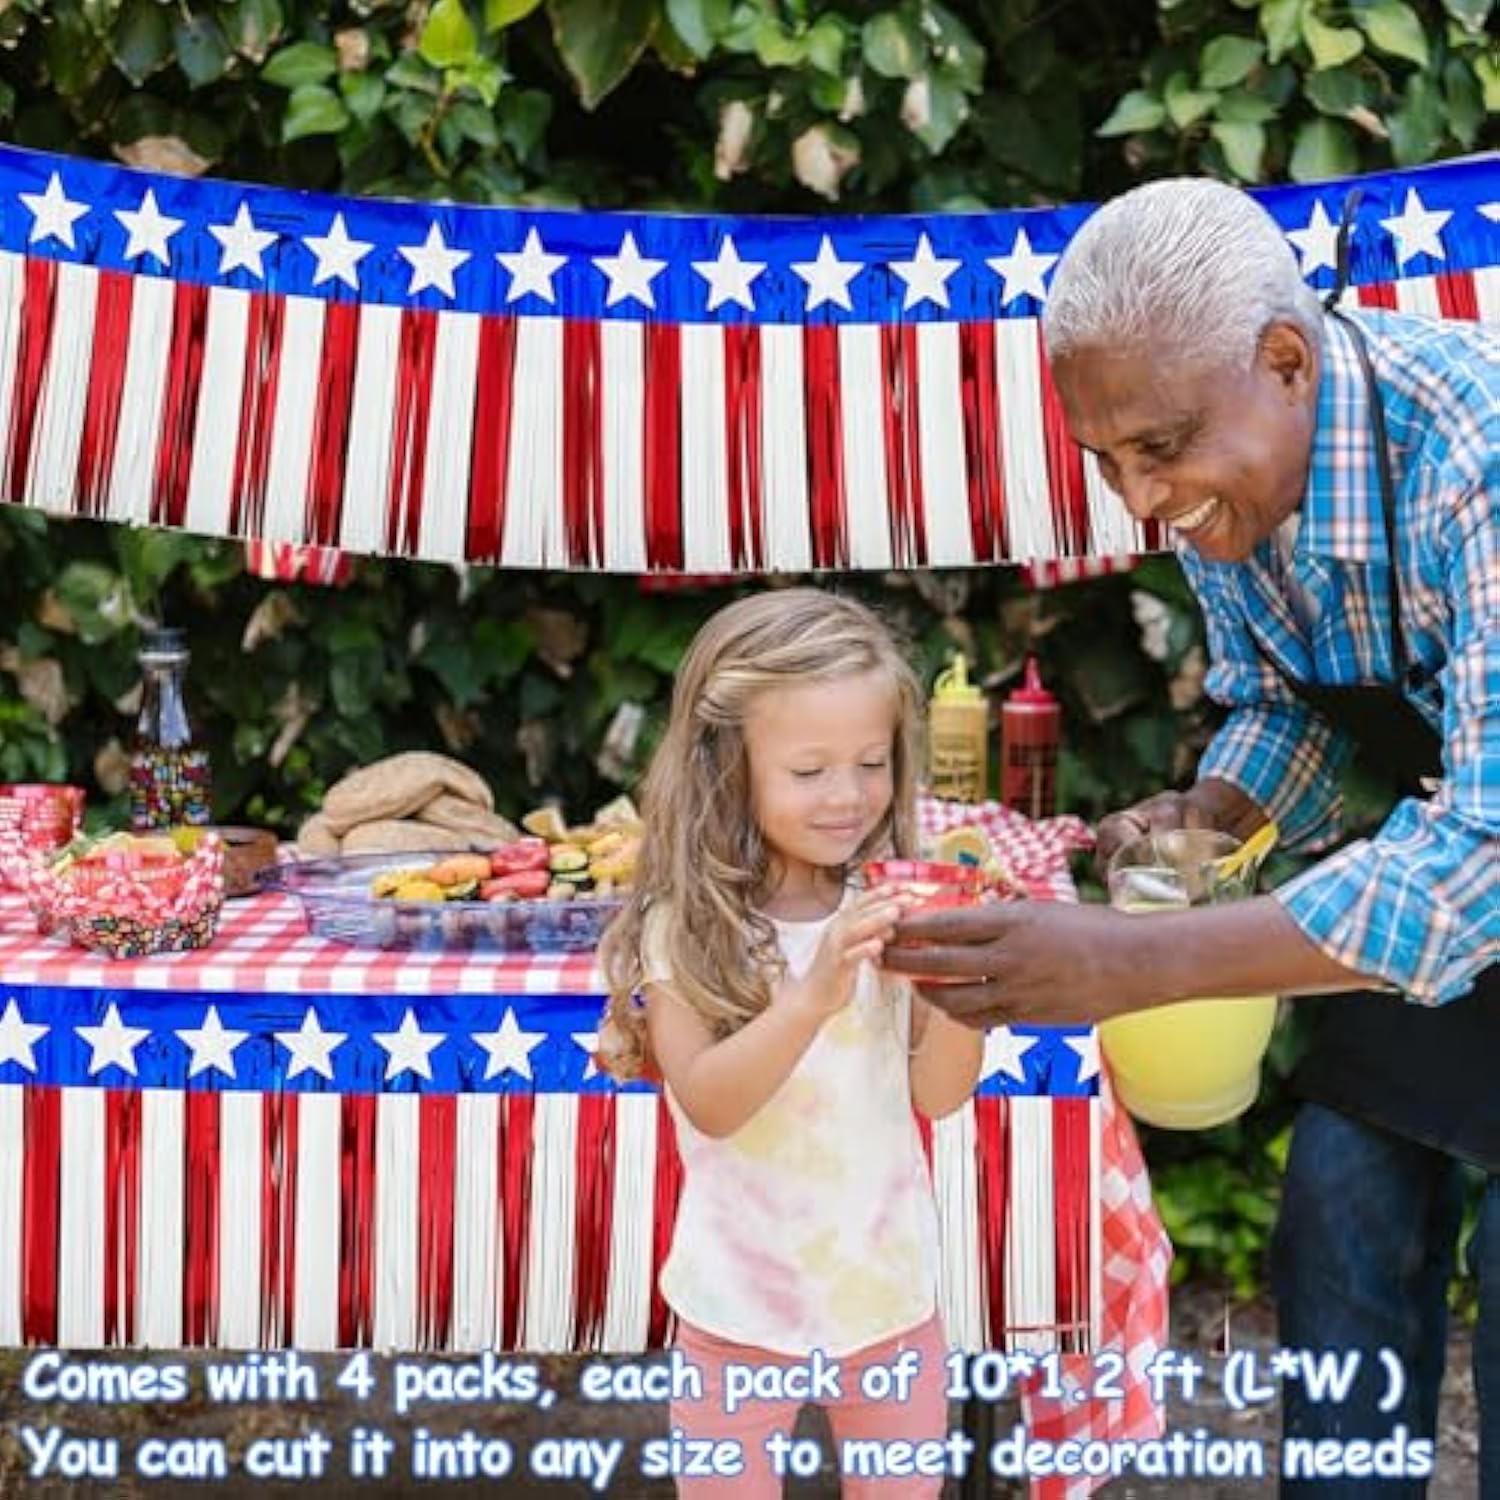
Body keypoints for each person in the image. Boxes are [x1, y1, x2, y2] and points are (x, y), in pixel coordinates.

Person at [882, 178, 1497, 1495]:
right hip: (1443, 866)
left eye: (1157, 449)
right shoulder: (1230, 477)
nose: (1142, 503)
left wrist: (1135, 962)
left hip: (1475, 859)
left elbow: (1485, 852)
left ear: (1286, 361)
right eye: (1105, 459)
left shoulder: (1477, 453)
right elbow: (1289, 698)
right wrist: (1218, 816)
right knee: (1341, 1197)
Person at [598, 587, 983, 1497]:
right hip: (737, 1303)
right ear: (727, 767)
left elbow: (939, 1095)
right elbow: (712, 1102)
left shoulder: (889, 905)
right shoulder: (685, 928)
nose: (848, 796)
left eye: (871, 763)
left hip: (887, 1297)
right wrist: (812, 996)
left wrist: (964, 987)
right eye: (809, 772)